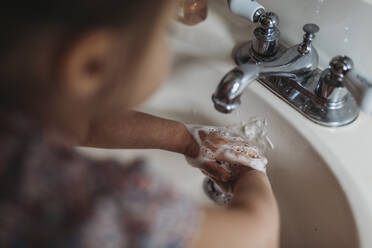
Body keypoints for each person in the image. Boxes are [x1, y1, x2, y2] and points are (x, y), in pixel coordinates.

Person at [0, 1, 279, 248]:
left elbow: (83, 123)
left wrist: (185, 138)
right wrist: (249, 171)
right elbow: (258, 236)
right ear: (93, 63)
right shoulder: (103, 205)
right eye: (165, 32)